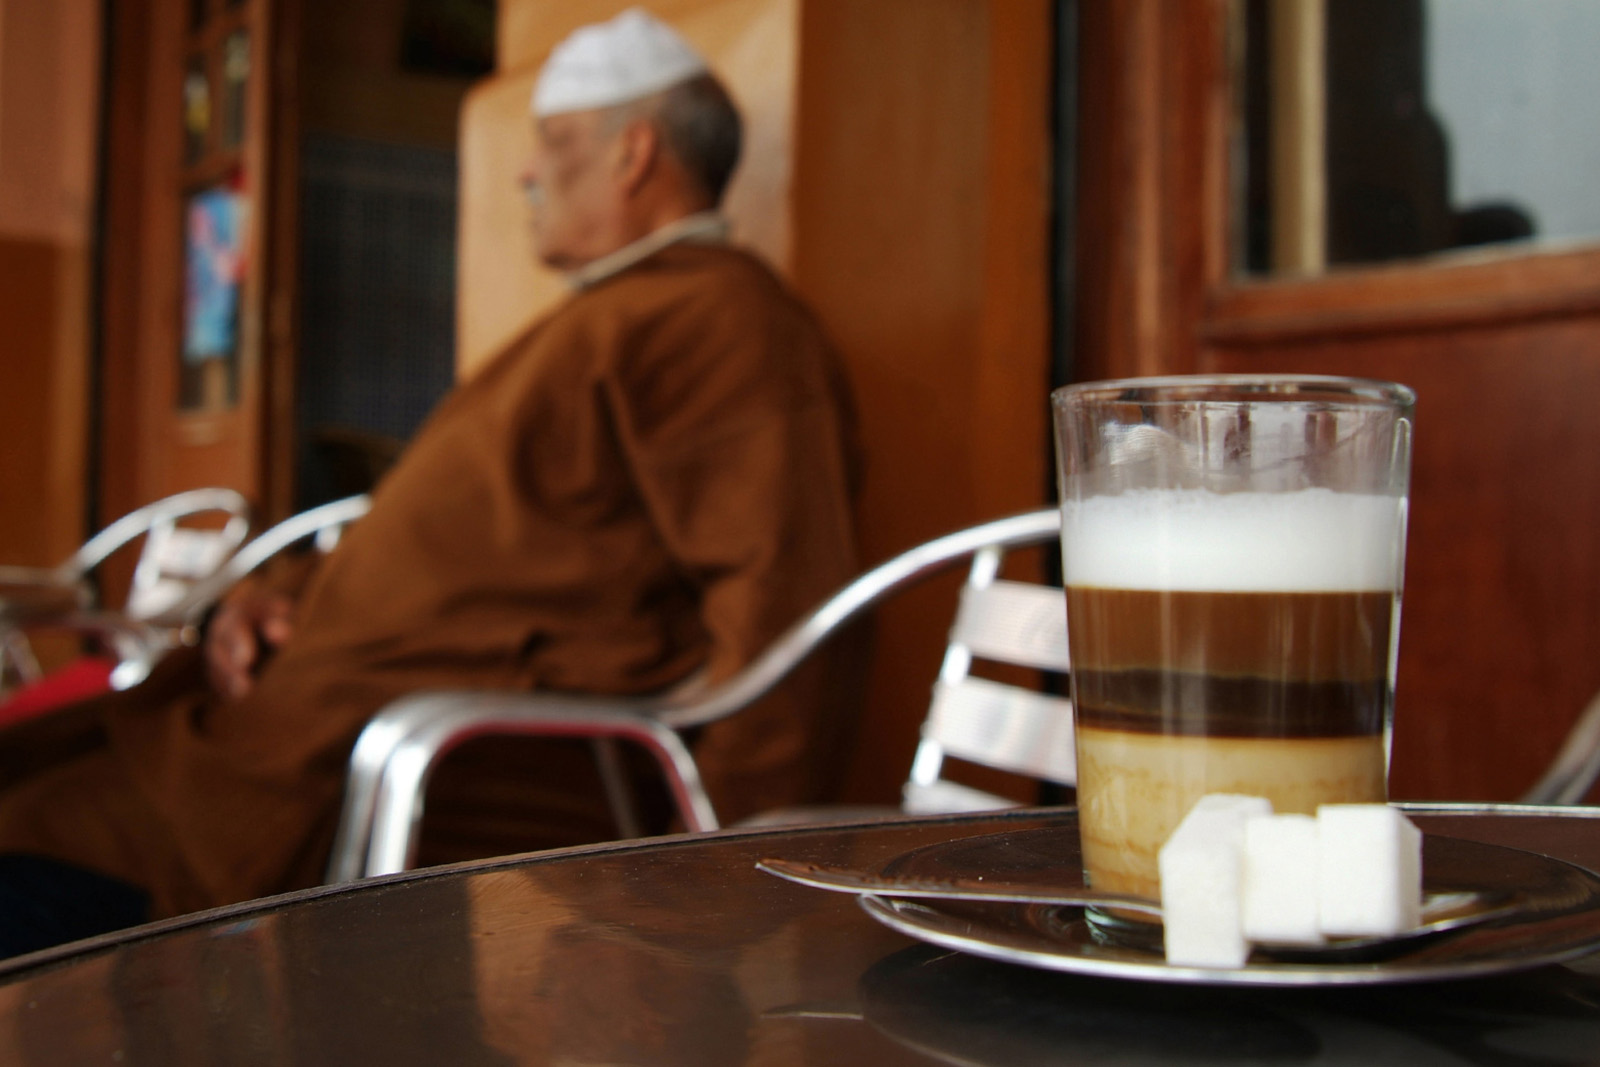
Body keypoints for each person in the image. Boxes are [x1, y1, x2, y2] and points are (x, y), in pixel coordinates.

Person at [0, 7, 861, 958]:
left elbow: (783, 596)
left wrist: (717, 883)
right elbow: (439, 534)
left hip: (335, 775)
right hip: (268, 726)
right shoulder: (614, 313)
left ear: (634, 155)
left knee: (40, 845)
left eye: (554, 143)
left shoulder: (719, 317)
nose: (527, 172)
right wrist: (272, 596)